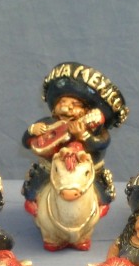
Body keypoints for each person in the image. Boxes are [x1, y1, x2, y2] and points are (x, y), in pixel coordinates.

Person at [22, 61, 129, 216]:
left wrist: (83, 135)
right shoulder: (47, 123)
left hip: (88, 167)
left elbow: (102, 142)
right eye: (62, 102)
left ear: (87, 111)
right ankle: (32, 200)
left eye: (75, 104)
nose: (67, 107)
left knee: (102, 188)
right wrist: (32, 130)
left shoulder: (93, 127)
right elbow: (26, 142)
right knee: (36, 182)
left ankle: (102, 204)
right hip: (52, 165)